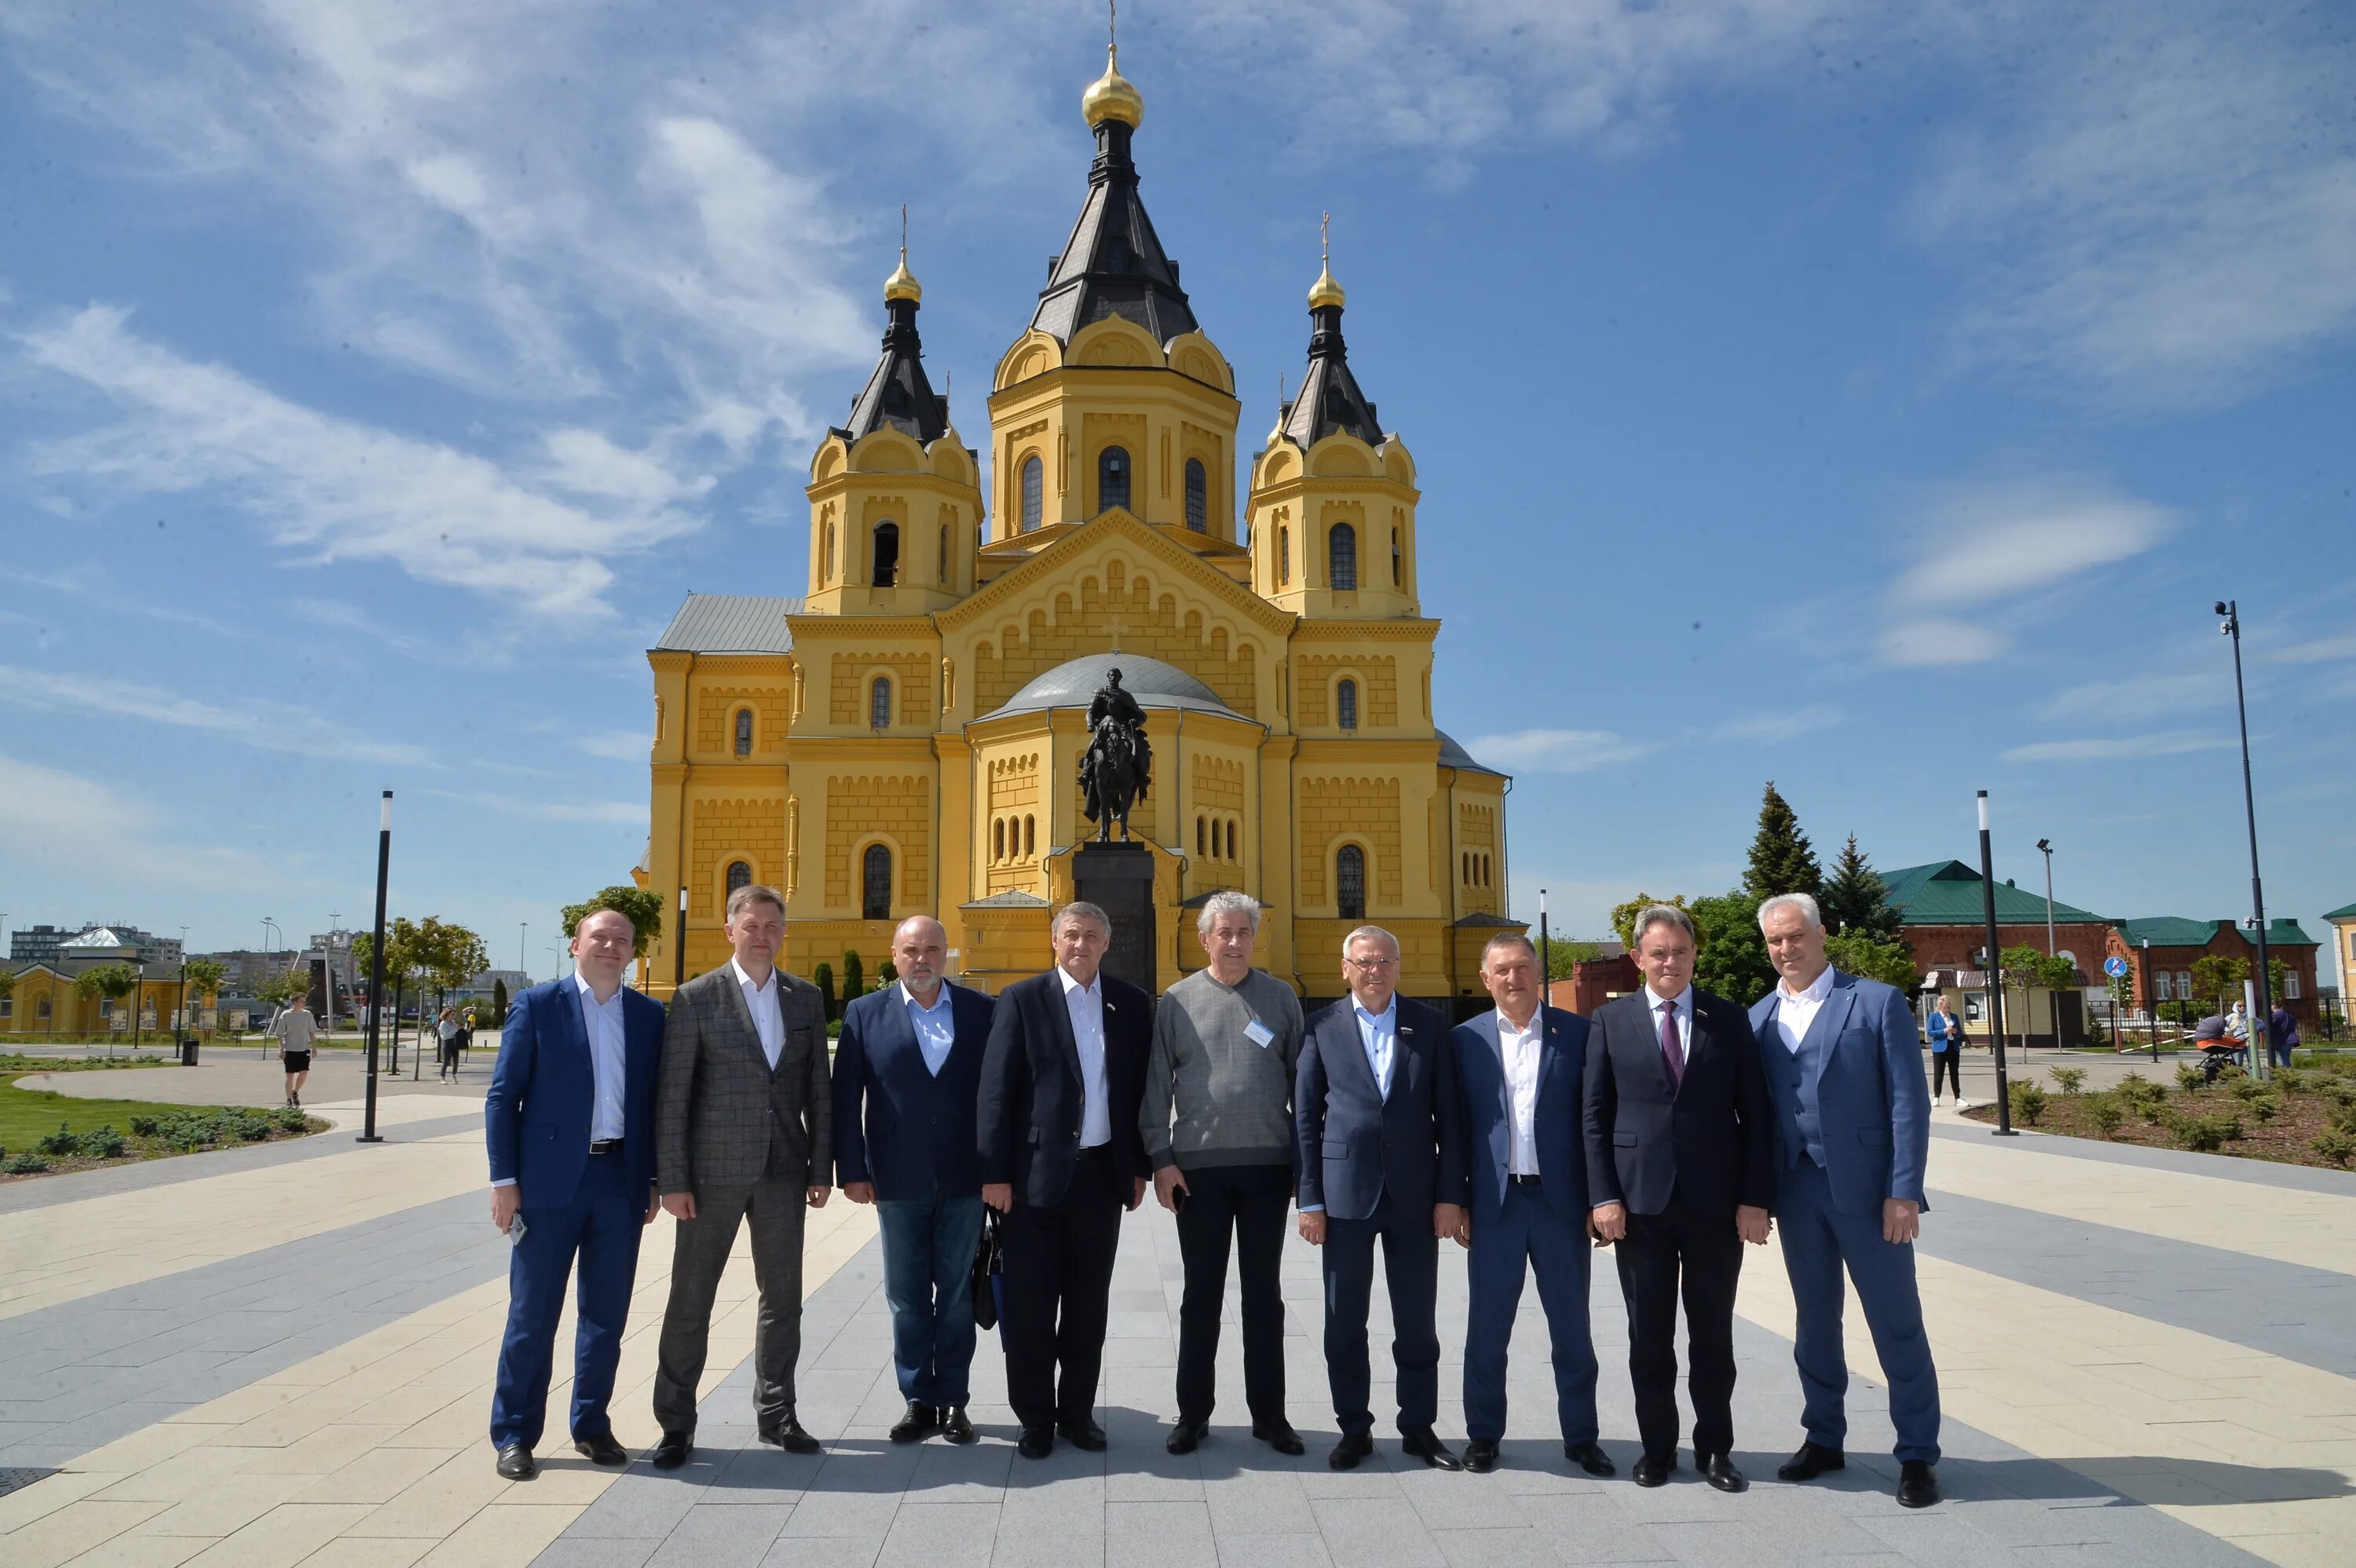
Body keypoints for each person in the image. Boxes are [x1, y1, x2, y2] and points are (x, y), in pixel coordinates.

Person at [1752, 894, 1941, 1508]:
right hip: (1797, 1191)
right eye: (1776, 940)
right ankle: (1824, 1437)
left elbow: (1909, 1102)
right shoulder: (1758, 1018)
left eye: (1796, 935)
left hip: (1869, 1193)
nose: (1787, 948)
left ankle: (1916, 1453)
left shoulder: (1877, 1001)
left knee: (1895, 1322)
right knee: (1814, 1322)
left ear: (1821, 933)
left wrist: (1904, 1190)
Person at [1585, 904, 1773, 1492]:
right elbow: (1593, 1118)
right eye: (1659, 952)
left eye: (1681, 951)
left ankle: (1715, 1448)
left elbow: (1757, 1115)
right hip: (1638, 1208)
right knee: (1650, 1338)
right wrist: (1603, 1196)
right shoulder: (1609, 1022)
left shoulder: (1729, 1018)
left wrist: (1754, 1198)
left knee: (1713, 1335)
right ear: (1638, 957)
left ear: (1696, 955)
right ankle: (1657, 1449)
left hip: (1716, 1207)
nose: (1671, 962)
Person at [649, 884, 832, 1468]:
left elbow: (821, 1095)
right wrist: (673, 1177)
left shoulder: (804, 998)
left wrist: (820, 1167)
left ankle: (778, 1414)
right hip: (711, 1174)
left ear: (784, 932)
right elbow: (673, 1096)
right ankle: (676, 1424)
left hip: (784, 1171)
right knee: (691, 1298)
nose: (762, 935)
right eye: (751, 925)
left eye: (772, 926)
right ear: (729, 930)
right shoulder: (696, 997)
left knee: (783, 1300)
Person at [485, 908, 665, 1480]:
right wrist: (503, 1181)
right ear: (575, 944)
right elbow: (501, 1098)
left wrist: (656, 1178)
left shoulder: (647, 1015)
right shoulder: (538, 1006)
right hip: (545, 1187)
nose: (611, 946)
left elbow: (654, 1103)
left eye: (622, 940)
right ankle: (514, 1433)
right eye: (600, 937)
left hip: (620, 1182)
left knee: (605, 1316)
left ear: (634, 950)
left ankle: (591, 1423)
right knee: (532, 1315)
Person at [977, 901, 1152, 1459]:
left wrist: (1140, 1166)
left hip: (1101, 1178)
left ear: (1106, 943)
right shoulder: (1022, 1000)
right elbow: (996, 1093)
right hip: (1031, 1182)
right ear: (1054, 941)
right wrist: (995, 1175)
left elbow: (1138, 1092)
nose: (1081, 944)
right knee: (1029, 1306)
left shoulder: (1130, 1003)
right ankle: (1035, 1419)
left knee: (1086, 1306)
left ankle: (1077, 1413)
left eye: (1092, 936)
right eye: (1071, 935)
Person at [1297, 925, 1465, 1471]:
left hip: (1416, 1197)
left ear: (1398, 967)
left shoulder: (1431, 1025)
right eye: (1364, 961)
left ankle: (1418, 1426)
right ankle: (1354, 1427)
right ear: (1345, 967)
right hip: (1345, 1197)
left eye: (1385, 961)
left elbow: (1451, 1118)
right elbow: (1305, 1119)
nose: (1375, 970)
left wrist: (1449, 1196)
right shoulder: (1320, 1026)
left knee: (1417, 1321)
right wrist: (1310, 1199)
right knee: (1344, 1321)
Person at [1143, 892, 1305, 1457]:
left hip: (1267, 1168)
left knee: (1265, 1295)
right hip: (1199, 1172)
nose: (1235, 941)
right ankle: (1193, 1414)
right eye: (1225, 932)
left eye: (1244, 932)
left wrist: (1302, 1170)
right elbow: (1157, 1086)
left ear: (1254, 938)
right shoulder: (1178, 1001)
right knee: (1201, 1295)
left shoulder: (1281, 997)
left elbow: (1303, 1091)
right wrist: (1161, 1159)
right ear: (1204, 938)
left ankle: (1271, 1415)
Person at [1451, 934, 1614, 1478]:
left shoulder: (1580, 1034)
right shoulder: (1464, 1040)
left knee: (1572, 1326)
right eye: (1502, 970)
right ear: (1485, 976)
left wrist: (1599, 1198)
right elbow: (1454, 1131)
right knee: (1487, 1328)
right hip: (1494, 1205)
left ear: (1538, 971)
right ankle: (1482, 1435)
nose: (1513, 978)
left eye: (1522, 967)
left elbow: (1596, 1124)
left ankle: (1582, 1436)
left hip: (1560, 1204)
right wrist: (1454, 1199)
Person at [833, 916, 996, 1446]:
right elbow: (844, 1101)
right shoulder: (864, 1013)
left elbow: (999, 1099)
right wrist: (851, 1170)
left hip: (965, 1177)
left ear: (947, 952)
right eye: (911, 949)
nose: (921, 958)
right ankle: (916, 1399)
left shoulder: (981, 1012)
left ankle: (954, 1400)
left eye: (931, 948)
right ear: (894, 953)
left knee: (954, 1295)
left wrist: (999, 1171)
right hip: (896, 1180)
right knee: (905, 1295)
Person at [269, 993, 318, 1107]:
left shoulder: (307, 1015)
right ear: (295, 1002)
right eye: (302, 1001)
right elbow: (280, 1034)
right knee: (290, 1075)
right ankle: (288, 1099)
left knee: (304, 1072)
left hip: (304, 1048)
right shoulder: (286, 1015)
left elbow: (311, 1032)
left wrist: (314, 1047)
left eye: (305, 1001)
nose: (304, 1003)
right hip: (290, 1049)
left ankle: (295, 1092)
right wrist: (282, 1050)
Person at [1925, 998, 1963, 1106]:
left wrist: (1956, 1032)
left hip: (1953, 1047)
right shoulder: (1934, 1016)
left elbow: (1960, 1033)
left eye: (1948, 1007)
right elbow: (1930, 1032)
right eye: (1945, 1008)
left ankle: (1957, 1097)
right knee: (1938, 1073)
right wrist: (1944, 1031)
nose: (1947, 1010)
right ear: (1940, 1007)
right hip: (1939, 1048)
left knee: (1954, 1073)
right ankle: (1936, 1097)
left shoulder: (1954, 1016)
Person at [2269, 1000, 2300, 1070]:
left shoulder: (2277, 1015)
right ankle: (2289, 1076)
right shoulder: (2289, 1015)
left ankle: (2287, 1076)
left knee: (2283, 1061)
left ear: (2273, 1006)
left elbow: (2267, 1024)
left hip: (2283, 1040)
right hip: (2291, 1040)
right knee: (2286, 1059)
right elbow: (2294, 1023)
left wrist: (2256, 1028)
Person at [437, 1007, 461, 1083]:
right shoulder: (443, 1024)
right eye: (452, 1015)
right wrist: (455, 1030)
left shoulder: (453, 1023)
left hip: (454, 1042)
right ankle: (442, 1077)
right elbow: (445, 1035)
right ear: (447, 1015)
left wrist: (461, 1028)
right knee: (446, 1060)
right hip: (447, 1042)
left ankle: (454, 1076)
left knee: (456, 1060)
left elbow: (456, 1032)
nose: (453, 1016)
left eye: (454, 1015)